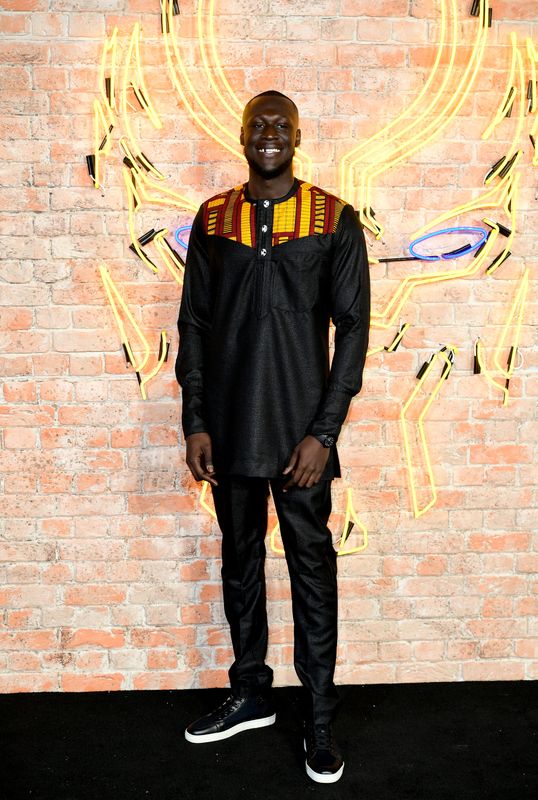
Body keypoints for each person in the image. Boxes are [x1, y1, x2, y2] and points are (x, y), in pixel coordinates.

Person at [175, 90, 370, 784]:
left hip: (302, 441)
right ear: (241, 133)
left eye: (278, 125)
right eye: (257, 123)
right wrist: (196, 419)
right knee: (240, 563)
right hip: (228, 431)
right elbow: (194, 323)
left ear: (297, 136)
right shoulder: (214, 218)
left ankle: (318, 717)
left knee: (312, 574)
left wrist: (324, 434)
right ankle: (251, 691)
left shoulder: (333, 219)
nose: (267, 134)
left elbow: (353, 333)